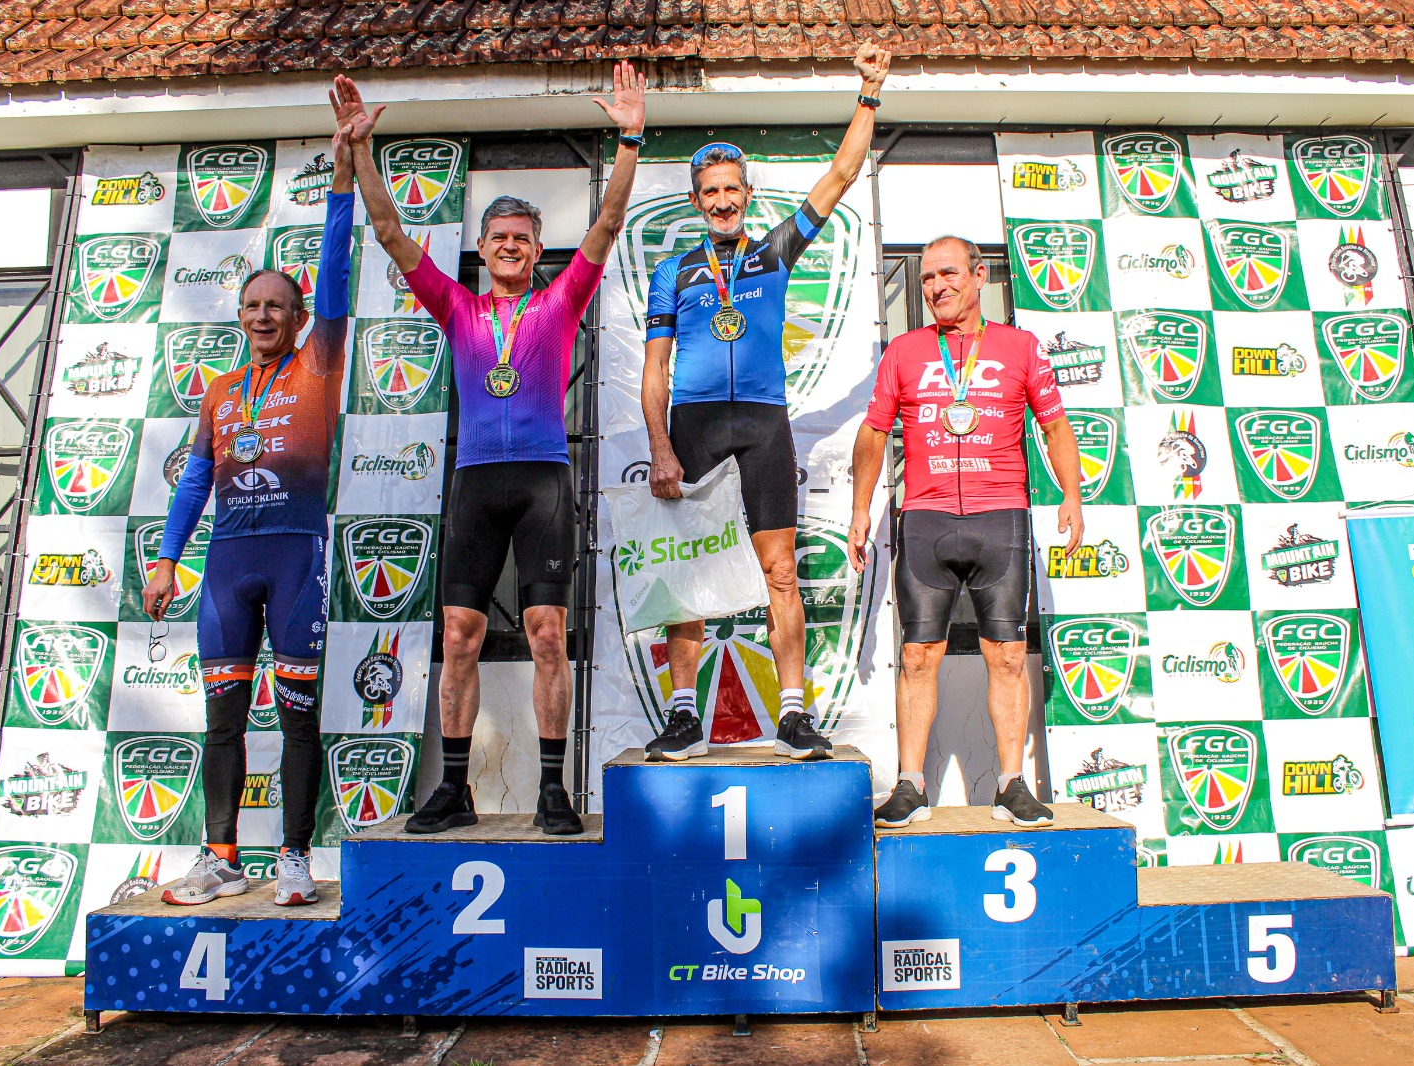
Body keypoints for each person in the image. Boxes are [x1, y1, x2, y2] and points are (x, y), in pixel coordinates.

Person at [330, 64, 645, 835]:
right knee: (460, 637)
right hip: (475, 481)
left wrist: (631, 139)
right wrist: (361, 151)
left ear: (537, 252)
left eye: (522, 239)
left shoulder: (560, 302)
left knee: (547, 636)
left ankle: (551, 791)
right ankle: (454, 790)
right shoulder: (457, 306)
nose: (510, 246)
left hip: (542, 482)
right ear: (481, 248)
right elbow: (390, 233)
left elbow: (606, 225)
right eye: (498, 237)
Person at [640, 44, 892, 763]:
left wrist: (868, 93)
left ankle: (793, 716)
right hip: (693, 426)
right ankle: (684, 718)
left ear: (747, 194)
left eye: (732, 189)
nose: (722, 201)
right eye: (709, 192)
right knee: (688, 575)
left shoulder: (774, 253)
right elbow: (655, 369)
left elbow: (840, 176)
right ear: (696, 201)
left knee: (780, 570)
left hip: (762, 424)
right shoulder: (672, 271)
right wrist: (659, 446)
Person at [145, 110, 359, 906]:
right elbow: (194, 480)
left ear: (300, 320)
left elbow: (334, 272)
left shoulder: (320, 364)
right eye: (251, 306)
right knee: (223, 721)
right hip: (227, 566)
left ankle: (294, 858)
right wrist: (166, 559)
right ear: (239, 317)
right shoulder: (220, 391)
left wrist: (343, 174)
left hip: (295, 557)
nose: (264, 315)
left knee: (298, 719)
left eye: (277, 306)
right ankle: (221, 856)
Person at [849, 236, 1084, 828]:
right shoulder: (904, 350)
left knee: (1007, 655)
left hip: (1000, 516)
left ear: (980, 276)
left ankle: (1011, 784)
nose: (936, 287)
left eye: (948, 274)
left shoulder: (1019, 346)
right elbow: (873, 432)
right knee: (916, 654)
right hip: (925, 518)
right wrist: (859, 509)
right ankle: (910, 785)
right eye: (927, 278)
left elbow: (1055, 426)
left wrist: (1072, 495)